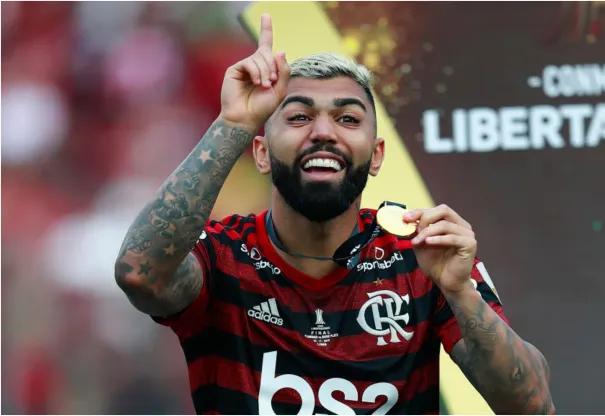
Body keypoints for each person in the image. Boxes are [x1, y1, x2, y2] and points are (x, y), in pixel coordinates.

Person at [114, 13, 553, 415]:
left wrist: (461, 293)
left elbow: (530, 405)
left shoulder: (423, 257)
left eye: (347, 119)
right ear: (261, 153)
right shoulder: (223, 254)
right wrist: (234, 122)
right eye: (300, 116)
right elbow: (140, 273)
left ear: (377, 156)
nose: (323, 132)